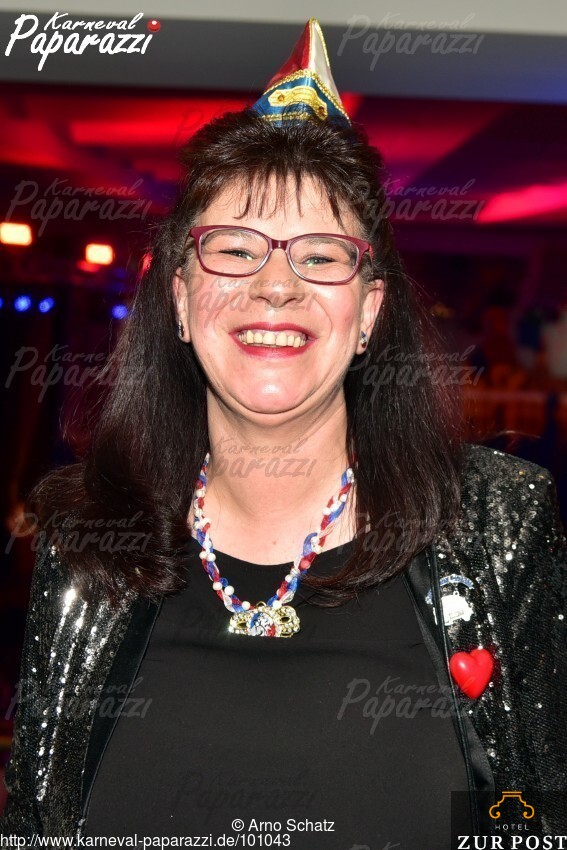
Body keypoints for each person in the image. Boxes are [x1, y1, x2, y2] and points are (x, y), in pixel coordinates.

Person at [1, 19, 565, 848]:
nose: (275, 285)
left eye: (321, 255)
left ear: (368, 311)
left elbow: (534, 824)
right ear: (181, 300)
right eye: (235, 250)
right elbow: (34, 824)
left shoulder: (496, 524)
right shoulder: (88, 538)